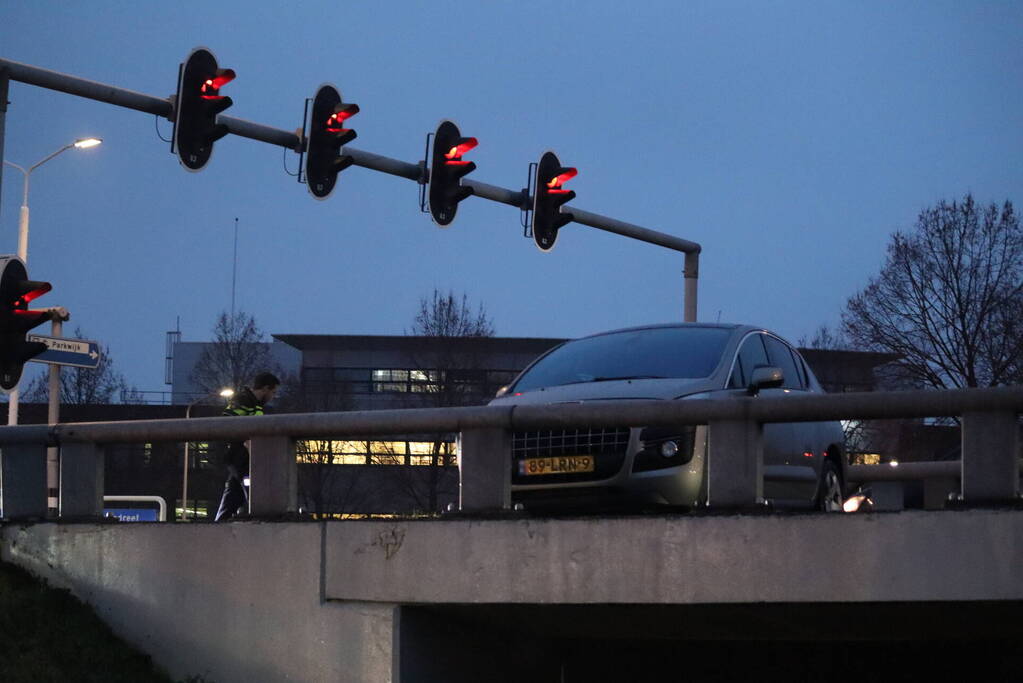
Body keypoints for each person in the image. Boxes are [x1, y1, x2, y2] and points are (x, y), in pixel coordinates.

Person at [214, 371, 281, 521]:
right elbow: (228, 423)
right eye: (273, 392)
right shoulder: (243, 400)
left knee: (234, 493)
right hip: (239, 455)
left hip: (242, 456)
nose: (273, 397)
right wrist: (245, 441)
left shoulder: (253, 404)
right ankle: (259, 519)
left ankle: (220, 523)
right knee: (252, 489)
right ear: (265, 389)